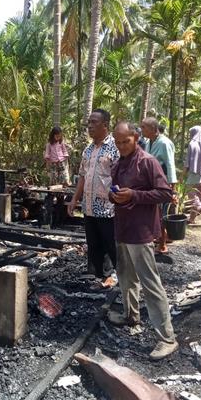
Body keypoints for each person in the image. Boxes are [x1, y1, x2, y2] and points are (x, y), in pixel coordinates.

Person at [108, 121, 177, 360]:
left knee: (150, 283)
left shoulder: (148, 162)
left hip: (140, 232)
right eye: (117, 142)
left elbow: (166, 193)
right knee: (126, 277)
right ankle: (131, 315)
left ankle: (167, 338)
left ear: (136, 138)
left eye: (125, 141)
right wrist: (114, 195)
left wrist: (134, 194)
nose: (121, 146)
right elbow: (113, 191)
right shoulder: (119, 164)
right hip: (122, 228)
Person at [68, 108, 119, 290]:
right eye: (88, 123)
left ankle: (118, 275)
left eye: (94, 122)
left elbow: (120, 177)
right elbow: (82, 175)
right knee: (94, 243)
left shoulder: (115, 147)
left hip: (107, 206)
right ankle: (101, 276)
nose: (89, 126)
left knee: (110, 242)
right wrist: (75, 199)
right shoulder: (88, 150)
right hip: (89, 206)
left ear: (105, 125)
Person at [142, 117, 178, 253]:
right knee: (153, 212)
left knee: (162, 213)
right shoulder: (148, 142)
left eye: (144, 127)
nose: (142, 130)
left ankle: (162, 244)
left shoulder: (164, 143)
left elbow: (170, 164)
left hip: (162, 182)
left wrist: (171, 188)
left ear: (153, 129)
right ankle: (157, 238)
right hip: (150, 182)